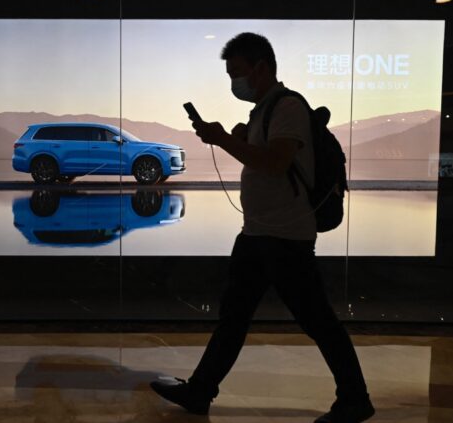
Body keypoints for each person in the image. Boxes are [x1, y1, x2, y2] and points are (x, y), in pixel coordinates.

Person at [150, 32, 375, 423]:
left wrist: (222, 139)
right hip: (258, 234)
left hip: (285, 238)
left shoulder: (286, 107)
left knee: (317, 320)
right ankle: (200, 391)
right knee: (234, 317)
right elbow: (266, 161)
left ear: (262, 67)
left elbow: (274, 162)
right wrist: (236, 138)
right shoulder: (263, 111)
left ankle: (355, 399)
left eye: (237, 72)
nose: (234, 82)